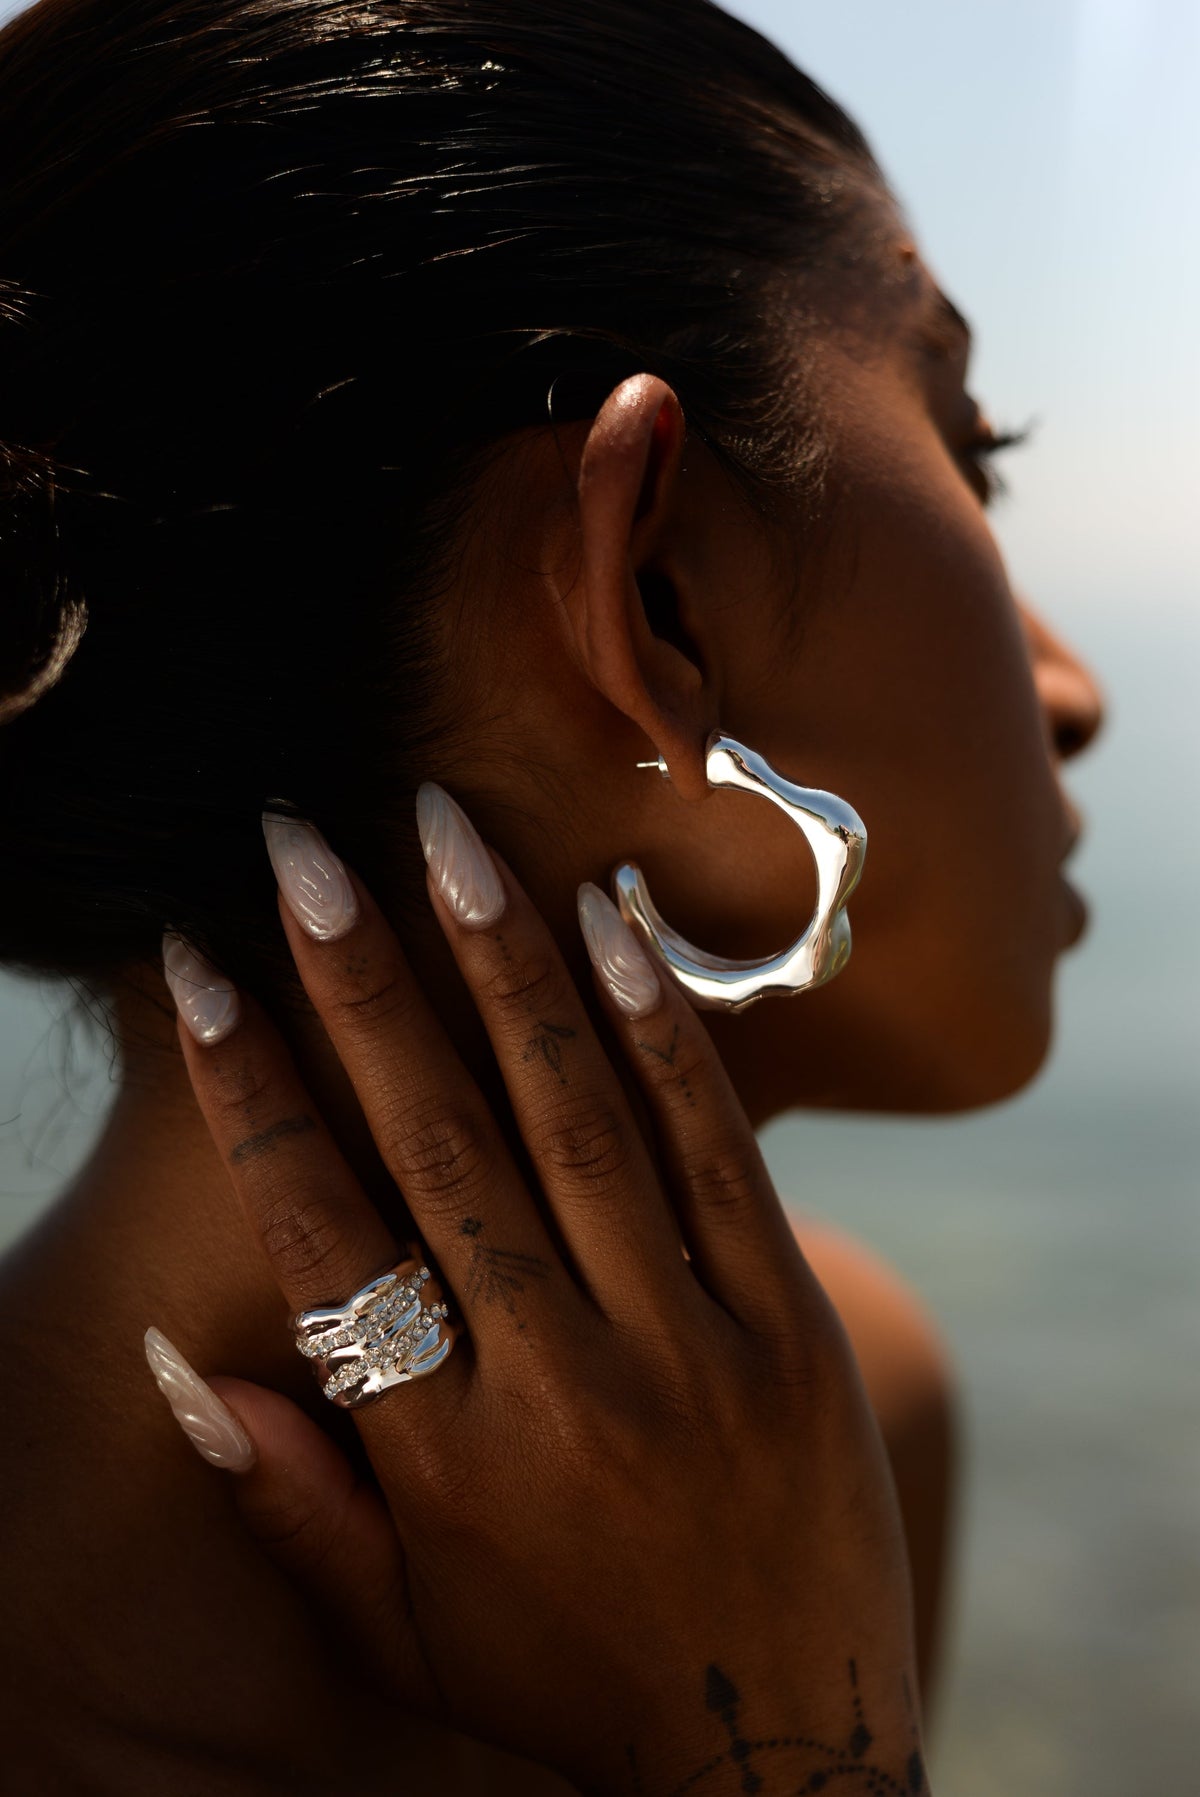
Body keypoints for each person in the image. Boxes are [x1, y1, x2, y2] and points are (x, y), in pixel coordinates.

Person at [0, 0, 1103, 1790]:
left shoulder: (812, 1444)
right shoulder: (814, 1484)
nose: (1076, 690)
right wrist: (790, 1726)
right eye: (973, 446)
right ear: (652, 598)